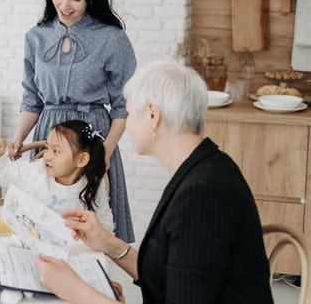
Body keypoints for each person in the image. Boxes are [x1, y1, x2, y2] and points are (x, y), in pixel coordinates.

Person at [34, 61, 274, 304]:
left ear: (152, 114)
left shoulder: (202, 193)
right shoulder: (202, 169)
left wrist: (77, 291)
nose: (127, 125)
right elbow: (172, 273)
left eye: (129, 114)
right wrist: (109, 244)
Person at [9, 0, 137, 242]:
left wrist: (106, 150)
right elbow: (32, 99)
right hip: (48, 137)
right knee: (39, 226)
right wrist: (18, 136)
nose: (65, 5)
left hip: (93, 141)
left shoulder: (111, 39)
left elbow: (123, 106)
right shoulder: (36, 36)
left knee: (91, 222)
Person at [0, 120, 114, 231]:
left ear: (81, 159)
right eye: (47, 147)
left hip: (71, 254)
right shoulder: (36, 171)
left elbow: (105, 225)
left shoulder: (93, 184)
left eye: (56, 151)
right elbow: (0, 173)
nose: (47, 156)